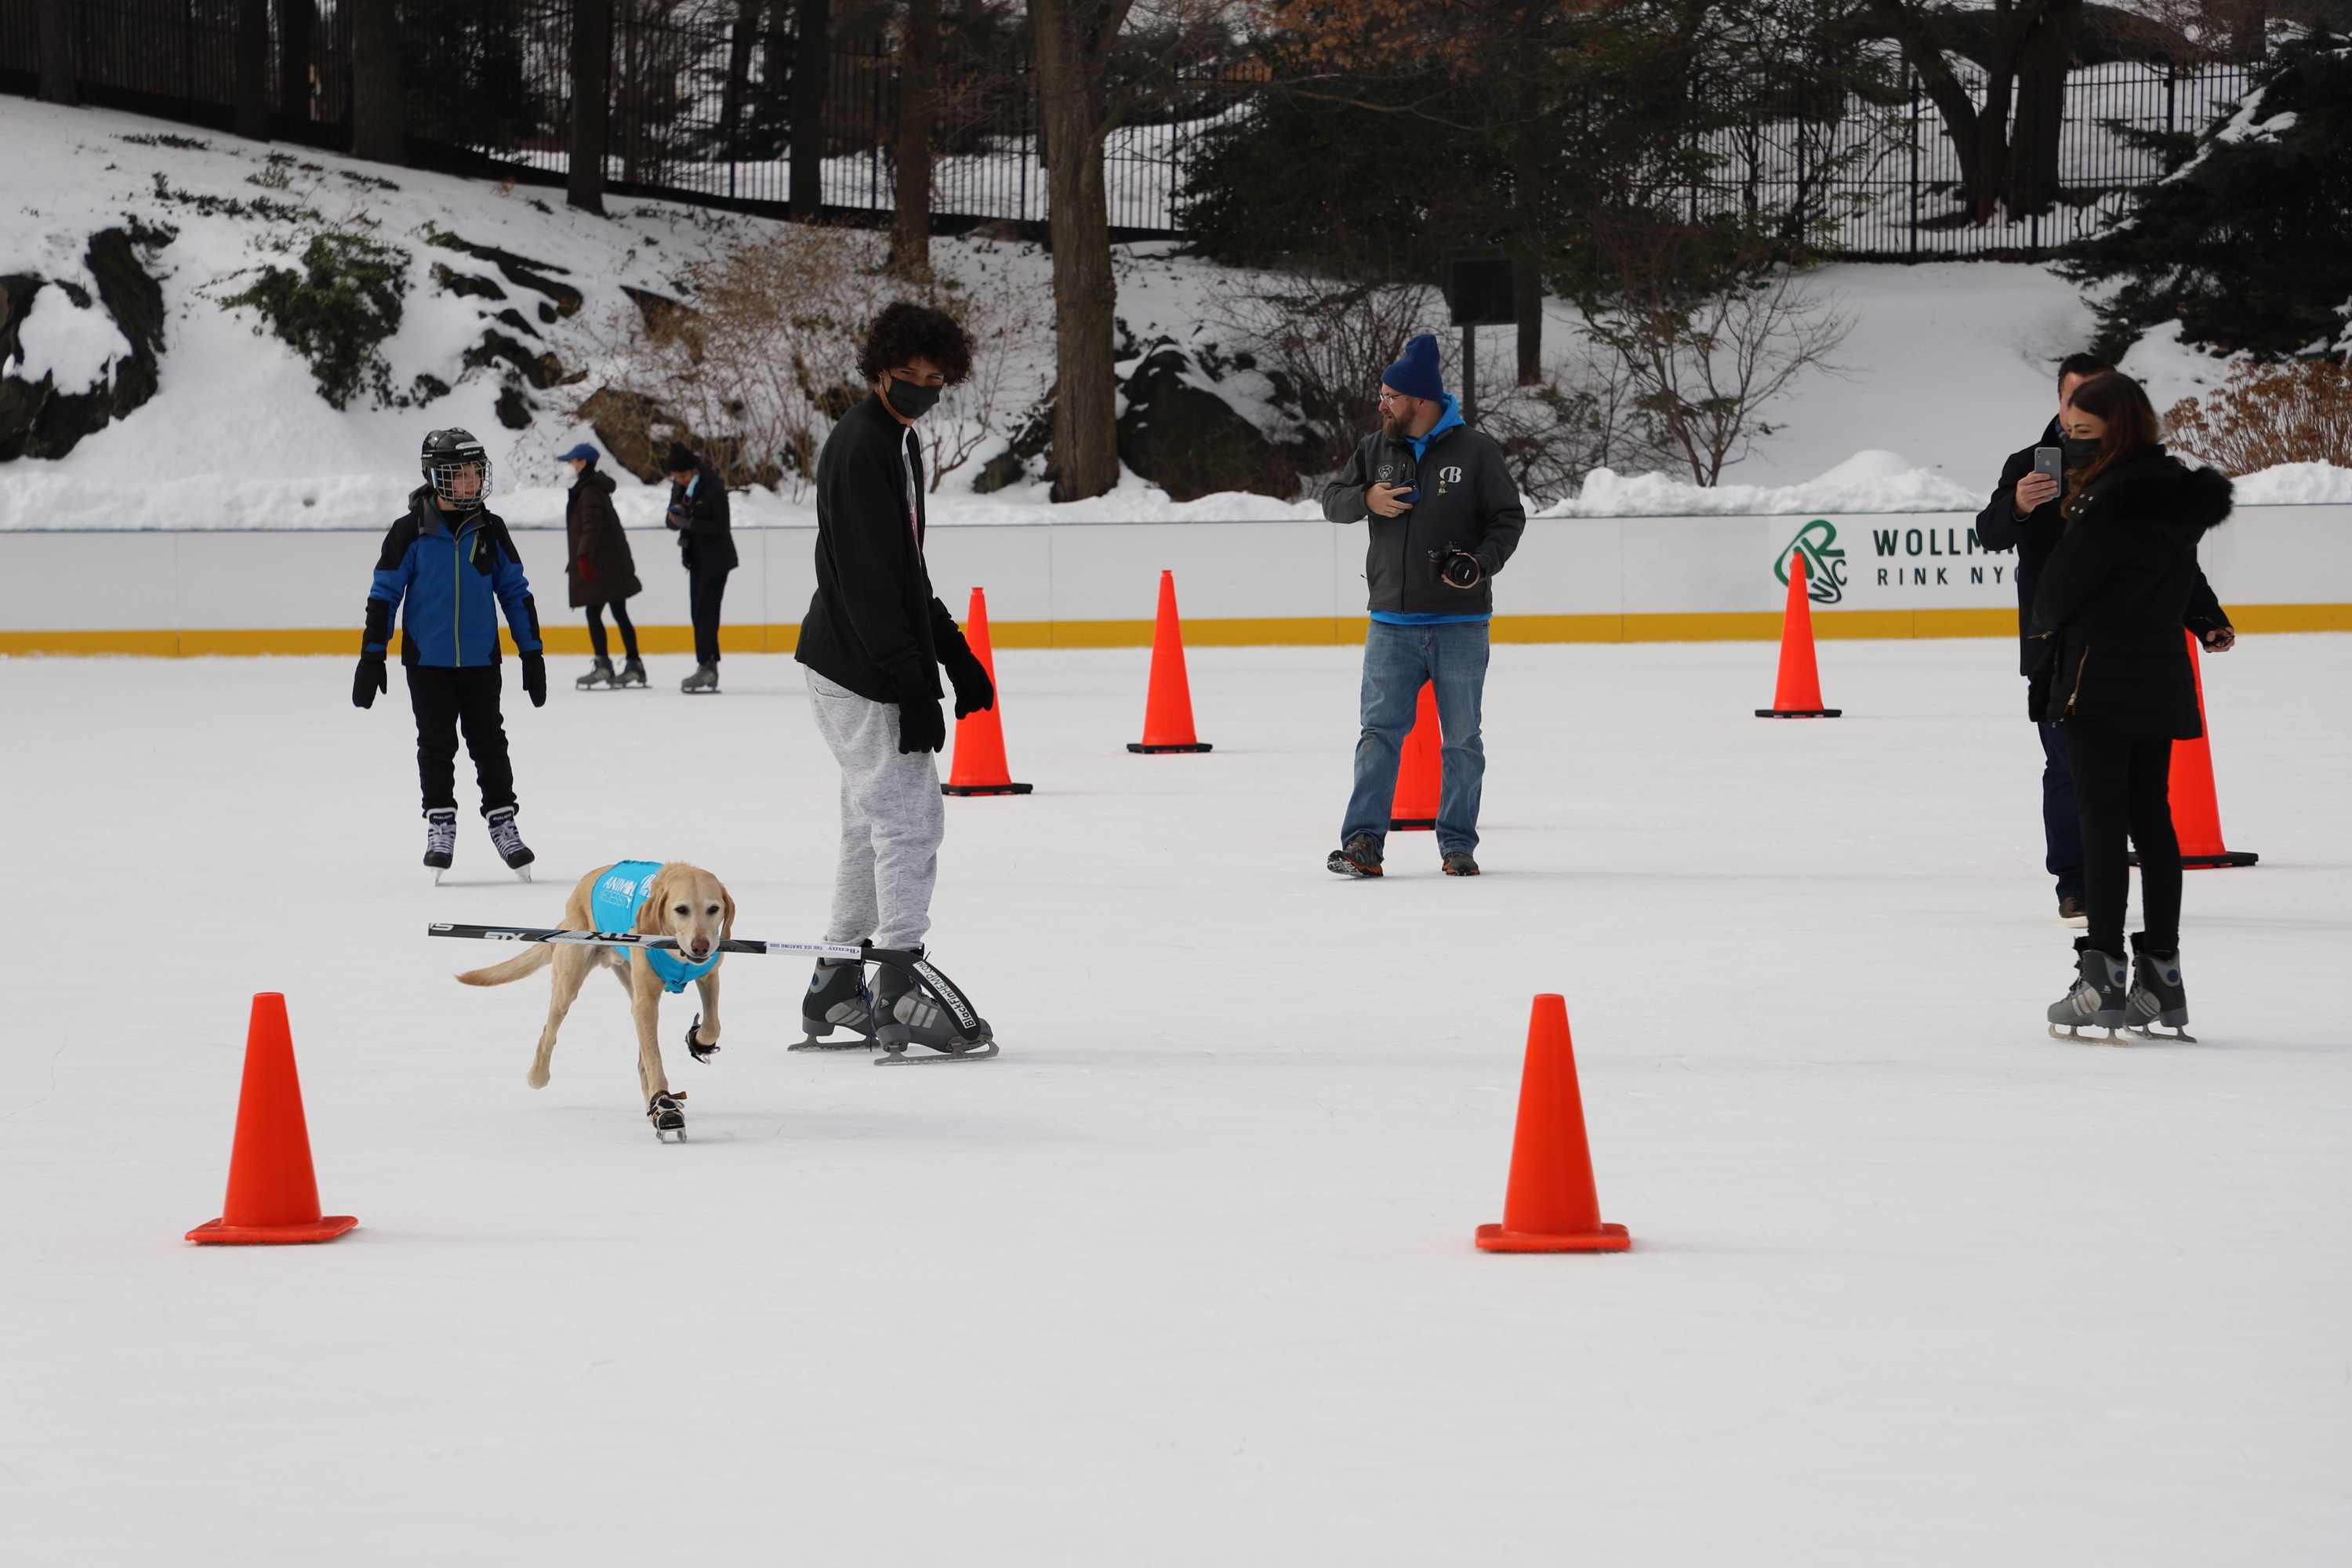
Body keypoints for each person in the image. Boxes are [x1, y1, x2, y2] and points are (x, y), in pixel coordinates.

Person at [792, 302, 998, 1055]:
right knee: (911, 821)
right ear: (879, 369)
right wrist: (912, 683)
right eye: (905, 378)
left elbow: (905, 569)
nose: (918, 389)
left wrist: (953, 651)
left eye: (933, 381)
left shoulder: (899, 442)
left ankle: (836, 981)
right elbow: (869, 585)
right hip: (861, 668)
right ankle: (898, 979)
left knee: (869, 824)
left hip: (858, 661)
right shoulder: (859, 449)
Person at [1976, 352, 2234, 927]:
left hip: (2134, 650)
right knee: (2071, 769)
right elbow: (1989, 533)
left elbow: (2173, 558)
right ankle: (2079, 885)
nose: (2084, 412)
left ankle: (2130, 928)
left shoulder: (2143, 476)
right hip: (2056, 648)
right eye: (2076, 401)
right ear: (2060, 405)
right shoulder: (2030, 464)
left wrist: (2205, 615)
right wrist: (2019, 505)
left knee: (2140, 793)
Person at [2031, 372, 2233, 1042]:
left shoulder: (2108, 503)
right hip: (2160, 675)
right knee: (2154, 820)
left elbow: (2055, 594)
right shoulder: (2175, 496)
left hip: (2097, 677)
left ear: (2114, 431)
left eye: (2084, 434)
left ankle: (2103, 978)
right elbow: (2178, 581)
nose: (2072, 443)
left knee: (2101, 824)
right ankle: (2163, 978)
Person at [1319, 332, 1526, 878]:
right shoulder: (1374, 449)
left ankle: (1458, 845)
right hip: (1392, 622)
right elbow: (1332, 500)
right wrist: (1366, 498)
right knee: (1378, 735)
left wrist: (1480, 562)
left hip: (1460, 623)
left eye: (1390, 395)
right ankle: (1363, 842)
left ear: (1421, 400)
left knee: (1462, 740)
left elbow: (1508, 518)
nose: (1382, 404)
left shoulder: (1476, 452)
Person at [353, 428, 546, 880]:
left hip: (481, 660)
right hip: (428, 663)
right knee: (436, 745)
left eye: (477, 472)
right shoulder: (409, 533)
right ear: (437, 478)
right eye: (461, 475)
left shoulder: (490, 529)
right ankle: (440, 822)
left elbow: (515, 592)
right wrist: (372, 655)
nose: (472, 482)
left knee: (489, 742)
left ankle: (503, 821)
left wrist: (532, 653)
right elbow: (384, 596)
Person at [560, 442, 646, 691]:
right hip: (607, 561)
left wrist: (583, 556)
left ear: (582, 463)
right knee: (616, 612)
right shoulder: (589, 488)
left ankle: (608, 665)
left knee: (599, 612)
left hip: (603, 563)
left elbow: (591, 527)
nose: (568, 466)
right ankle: (631, 664)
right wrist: (577, 556)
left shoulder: (588, 492)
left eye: (571, 461)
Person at [664, 441, 737, 694]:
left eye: (683, 476)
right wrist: (675, 519)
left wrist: (689, 522)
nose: (680, 481)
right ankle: (708, 665)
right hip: (696, 558)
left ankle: (707, 667)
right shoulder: (681, 487)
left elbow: (721, 527)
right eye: (676, 477)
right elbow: (672, 521)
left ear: (694, 469)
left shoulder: (713, 487)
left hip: (716, 560)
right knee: (698, 612)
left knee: (705, 612)